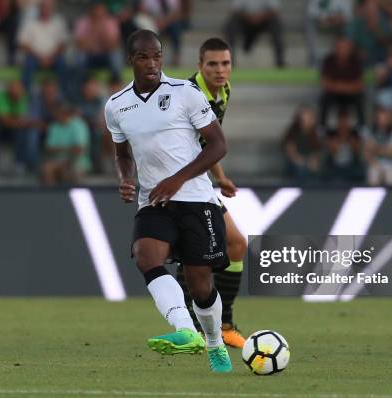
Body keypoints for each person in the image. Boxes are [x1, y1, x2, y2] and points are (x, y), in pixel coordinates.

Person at [104, 30, 232, 373]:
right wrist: (125, 178)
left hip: (195, 199)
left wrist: (178, 178)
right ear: (131, 60)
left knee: (200, 284)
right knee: (146, 256)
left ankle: (215, 342)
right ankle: (186, 331)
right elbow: (122, 154)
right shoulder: (116, 105)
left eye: (157, 56)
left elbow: (219, 145)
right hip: (153, 200)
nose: (152, 64)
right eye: (144, 57)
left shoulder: (185, 93)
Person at [170, 38, 247, 349]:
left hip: (198, 181)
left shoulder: (223, 91)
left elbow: (209, 143)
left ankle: (213, 326)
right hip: (180, 183)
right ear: (199, 66)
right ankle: (202, 327)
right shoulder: (190, 96)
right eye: (212, 64)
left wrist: (220, 176)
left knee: (227, 248)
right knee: (228, 246)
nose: (220, 70)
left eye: (225, 63)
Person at [0, 80, 37, 175]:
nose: (18, 96)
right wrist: (16, 121)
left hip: (10, 129)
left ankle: (19, 163)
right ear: (9, 91)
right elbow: (6, 120)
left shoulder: (23, 97)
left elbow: (21, 119)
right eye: (15, 93)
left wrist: (13, 121)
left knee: (22, 132)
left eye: (20, 92)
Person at [17, 0, 68, 93]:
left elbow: (63, 44)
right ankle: (25, 95)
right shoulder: (30, 23)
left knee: (63, 64)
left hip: (54, 57)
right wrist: (40, 58)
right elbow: (23, 44)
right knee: (28, 63)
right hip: (34, 57)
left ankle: (63, 95)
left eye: (48, 7)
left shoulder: (59, 22)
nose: (46, 9)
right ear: (39, 8)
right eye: (43, 7)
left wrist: (51, 57)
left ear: (52, 9)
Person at [319, 36, 365, 130]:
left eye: (345, 48)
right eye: (340, 47)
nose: (342, 50)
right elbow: (325, 83)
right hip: (334, 94)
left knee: (360, 99)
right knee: (324, 99)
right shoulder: (329, 60)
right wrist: (346, 86)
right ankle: (322, 128)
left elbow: (359, 85)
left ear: (350, 49)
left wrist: (339, 86)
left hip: (350, 94)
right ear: (335, 48)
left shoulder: (355, 61)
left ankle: (362, 128)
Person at [224, 0, 285, 68]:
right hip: (245, 20)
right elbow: (234, 10)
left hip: (265, 20)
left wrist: (259, 17)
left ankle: (280, 62)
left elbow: (275, 10)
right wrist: (251, 17)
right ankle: (229, 61)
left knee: (275, 23)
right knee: (230, 25)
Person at [42, 103, 90, 186]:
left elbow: (79, 150)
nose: (58, 115)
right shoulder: (54, 126)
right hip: (58, 160)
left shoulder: (78, 125)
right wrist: (68, 149)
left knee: (71, 172)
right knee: (47, 169)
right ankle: (51, 197)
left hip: (77, 161)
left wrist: (60, 149)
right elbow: (48, 148)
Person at [74, 2, 123, 81]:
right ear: (91, 12)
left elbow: (113, 45)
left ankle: (115, 83)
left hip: (105, 55)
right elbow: (80, 46)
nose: (99, 17)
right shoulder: (82, 22)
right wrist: (94, 31)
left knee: (116, 56)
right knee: (80, 57)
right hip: (89, 55)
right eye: (96, 14)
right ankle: (82, 85)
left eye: (101, 14)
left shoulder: (111, 22)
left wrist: (102, 31)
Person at [321, 108, 365, 183]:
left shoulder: (354, 135)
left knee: (359, 171)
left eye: (345, 122)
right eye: (341, 122)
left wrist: (347, 137)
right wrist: (340, 138)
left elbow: (355, 150)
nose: (343, 125)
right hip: (336, 166)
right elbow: (333, 151)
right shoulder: (332, 135)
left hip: (350, 165)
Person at [305, 0, 354, 66]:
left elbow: (348, 17)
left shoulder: (344, 2)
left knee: (350, 27)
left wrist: (334, 20)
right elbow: (312, 13)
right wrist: (329, 19)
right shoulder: (315, 2)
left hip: (339, 33)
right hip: (320, 34)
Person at [364, 107, 392, 186]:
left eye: (385, 118)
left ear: (390, 119)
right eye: (380, 118)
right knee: (373, 173)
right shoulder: (370, 131)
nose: (382, 120)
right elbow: (367, 152)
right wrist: (374, 161)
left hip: (391, 164)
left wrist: (376, 148)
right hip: (375, 163)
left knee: (390, 174)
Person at [282, 105, 321, 182]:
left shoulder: (315, 133)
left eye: (310, 118)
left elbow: (317, 150)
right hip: (295, 163)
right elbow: (292, 154)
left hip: (308, 161)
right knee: (301, 169)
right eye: (307, 118)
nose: (310, 120)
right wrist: (304, 162)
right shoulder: (292, 133)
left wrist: (314, 159)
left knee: (317, 168)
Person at [76, 75, 106, 173]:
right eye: (89, 87)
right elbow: (77, 116)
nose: (92, 90)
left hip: (97, 128)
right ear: (84, 88)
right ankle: (84, 165)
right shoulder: (78, 100)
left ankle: (98, 165)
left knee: (98, 133)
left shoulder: (101, 100)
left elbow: (102, 117)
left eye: (94, 87)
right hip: (82, 128)